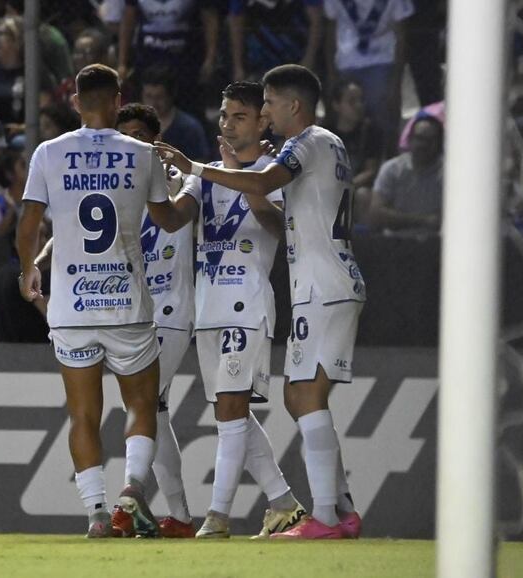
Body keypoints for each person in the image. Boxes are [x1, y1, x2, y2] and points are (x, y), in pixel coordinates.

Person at [155, 64, 366, 540]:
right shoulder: (329, 143)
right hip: (322, 282)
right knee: (297, 397)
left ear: (292, 106)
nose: (265, 113)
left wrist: (200, 168)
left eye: (266, 105)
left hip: (311, 287)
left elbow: (266, 186)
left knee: (301, 396)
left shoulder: (302, 144)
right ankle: (333, 508)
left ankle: (321, 519)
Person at [16, 63, 185, 539]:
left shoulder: (48, 153)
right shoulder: (142, 153)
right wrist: (190, 188)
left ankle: (94, 514)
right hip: (126, 302)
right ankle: (131, 491)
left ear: (74, 101)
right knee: (141, 405)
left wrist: (28, 267)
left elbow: (29, 222)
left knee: (82, 414)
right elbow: (167, 219)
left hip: (71, 306)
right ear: (116, 100)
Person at [156, 81, 308, 539]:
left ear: (262, 121)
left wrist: (239, 181)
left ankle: (217, 517)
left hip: (247, 305)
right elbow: (171, 219)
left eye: (239, 115)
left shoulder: (271, 172)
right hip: (208, 308)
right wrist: (154, 181)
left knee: (230, 408)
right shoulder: (202, 177)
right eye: (224, 115)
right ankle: (283, 504)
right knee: (231, 413)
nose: (227, 122)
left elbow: (280, 228)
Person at [110, 102, 196, 538]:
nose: (133, 144)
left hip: (173, 310)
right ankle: (179, 517)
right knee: (154, 413)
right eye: (124, 136)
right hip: (135, 313)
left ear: (155, 142)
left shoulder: (180, 183)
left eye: (141, 136)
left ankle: (131, 495)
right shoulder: (114, 193)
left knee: (142, 404)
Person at [323, 0, 414, 155]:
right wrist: (331, 71)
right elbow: (330, 29)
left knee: (382, 119)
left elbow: (401, 33)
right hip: (346, 61)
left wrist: (396, 80)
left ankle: (387, 161)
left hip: (382, 61)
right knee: (345, 119)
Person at [368, 114, 444, 232]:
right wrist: (424, 220)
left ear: (440, 143)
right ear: (409, 139)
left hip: (436, 245)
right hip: (394, 245)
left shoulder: (449, 174)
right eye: (419, 138)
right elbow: (376, 214)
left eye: (430, 140)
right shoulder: (391, 169)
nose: (423, 144)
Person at [323, 79, 383, 225]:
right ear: (337, 105)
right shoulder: (323, 134)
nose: (359, 106)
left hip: (357, 188)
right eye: (351, 101)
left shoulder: (371, 132)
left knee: (364, 196)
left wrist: (346, 185)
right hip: (328, 186)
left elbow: (371, 171)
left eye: (361, 100)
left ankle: (364, 242)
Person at [228, 0, 323, 82]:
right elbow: (236, 20)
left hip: (295, 60)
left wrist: (308, 60)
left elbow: (316, 21)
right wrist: (238, 67)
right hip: (258, 63)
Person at [141, 64, 210, 162]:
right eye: (148, 96)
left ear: (171, 95)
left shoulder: (189, 128)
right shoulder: (134, 124)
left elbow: (200, 166)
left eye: (159, 97)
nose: (153, 103)